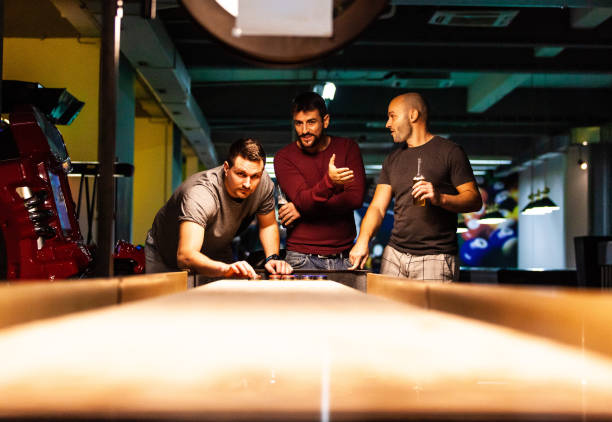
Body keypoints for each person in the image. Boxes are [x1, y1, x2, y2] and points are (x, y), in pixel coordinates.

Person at [349, 93, 482, 281]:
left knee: (428, 312)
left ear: (413, 116)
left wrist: (441, 198)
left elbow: (474, 199)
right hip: (394, 254)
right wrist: (363, 241)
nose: (388, 124)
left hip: (436, 257)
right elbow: (378, 208)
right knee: (388, 310)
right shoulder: (392, 160)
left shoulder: (450, 152)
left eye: (392, 116)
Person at [145, 138, 293, 278]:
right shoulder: (201, 194)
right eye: (241, 174)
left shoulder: (264, 184)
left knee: (225, 297)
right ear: (227, 168)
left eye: (255, 176)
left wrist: (272, 258)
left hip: (217, 248)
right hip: (167, 253)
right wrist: (224, 269)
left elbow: (267, 225)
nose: (248, 184)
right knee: (168, 302)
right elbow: (186, 256)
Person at [274, 92, 366, 270]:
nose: (304, 130)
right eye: (299, 123)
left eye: (311, 122)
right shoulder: (284, 157)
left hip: (345, 257)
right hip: (301, 258)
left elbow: (354, 198)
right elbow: (302, 199)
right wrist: (330, 183)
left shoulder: (347, 148)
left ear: (325, 121)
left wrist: (303, 210)